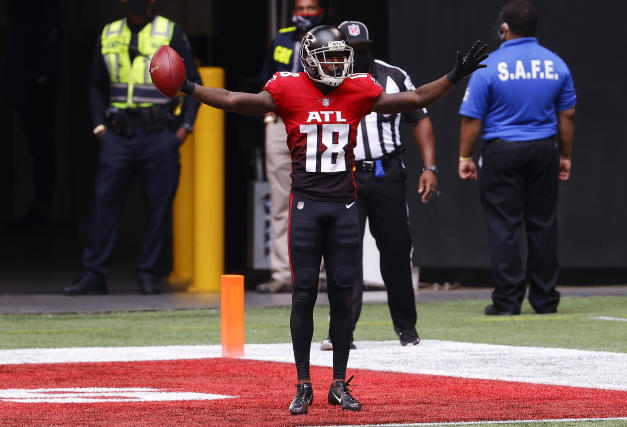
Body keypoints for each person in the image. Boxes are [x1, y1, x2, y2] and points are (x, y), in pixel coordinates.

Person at [170, 25, 487, 415]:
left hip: (343, 205)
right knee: (303, 293)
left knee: (341, 292)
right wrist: (187, 86)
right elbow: (236, 100)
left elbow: (417, 98)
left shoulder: (358, 88)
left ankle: (338, 382)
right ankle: (303, 383)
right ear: (308, 58)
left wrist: (455, 76)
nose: (336, 63)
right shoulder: (287, 87)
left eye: (341, 56)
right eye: (329, 57)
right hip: (307, 203)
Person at [64, 0, 201, 295]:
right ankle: (93, 276)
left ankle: (149, 274)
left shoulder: (170, 31)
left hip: (159, 133)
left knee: (159, 207)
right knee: (103, 204)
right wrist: (99, 125)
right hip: (118, 134)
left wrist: (184, 128)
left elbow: (194, 82)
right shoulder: (109, 32)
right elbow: (95, 82)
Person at [319, 21, 439, 351]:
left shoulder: (393, 75)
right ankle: (340, 331)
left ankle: (406, 327)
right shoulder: (325, 76)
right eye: (351, 50)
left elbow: (420, 116)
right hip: (344, 176)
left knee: (397, 252)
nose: (357, 56)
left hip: (387, 173)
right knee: (343, 254)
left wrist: (429, 167)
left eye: (362, 49)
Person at [457, 0, 576, 315]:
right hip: (544, 149)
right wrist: (565, 155)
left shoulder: (490, 65)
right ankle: (545, 299)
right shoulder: (556, 64)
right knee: (543, 224)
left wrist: (465, 156)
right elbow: (568, 116)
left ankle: (508, 301)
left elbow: (472, 118)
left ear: (504, 28)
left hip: (502, 150)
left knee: (504, 225)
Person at [255, 0, 326, 294]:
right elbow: (265, 78)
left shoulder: (329, 37)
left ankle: (320, 274)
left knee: (320, 196)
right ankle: (282, 273)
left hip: (314, 120)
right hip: (281, 121)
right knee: (282, 199)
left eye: (311, 8)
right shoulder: (282, 38)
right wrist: (269, 113)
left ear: (321, 10)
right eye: (301, 7)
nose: (305, 13)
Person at [3, 0, 61, 228]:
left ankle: (41, 208)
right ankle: (39, 208)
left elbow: (50, 46)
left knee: (42, 148)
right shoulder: (27, 12)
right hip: (25, 86)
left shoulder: (44, 10)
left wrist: (39, 80)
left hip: (36, 89)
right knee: (37, 148)